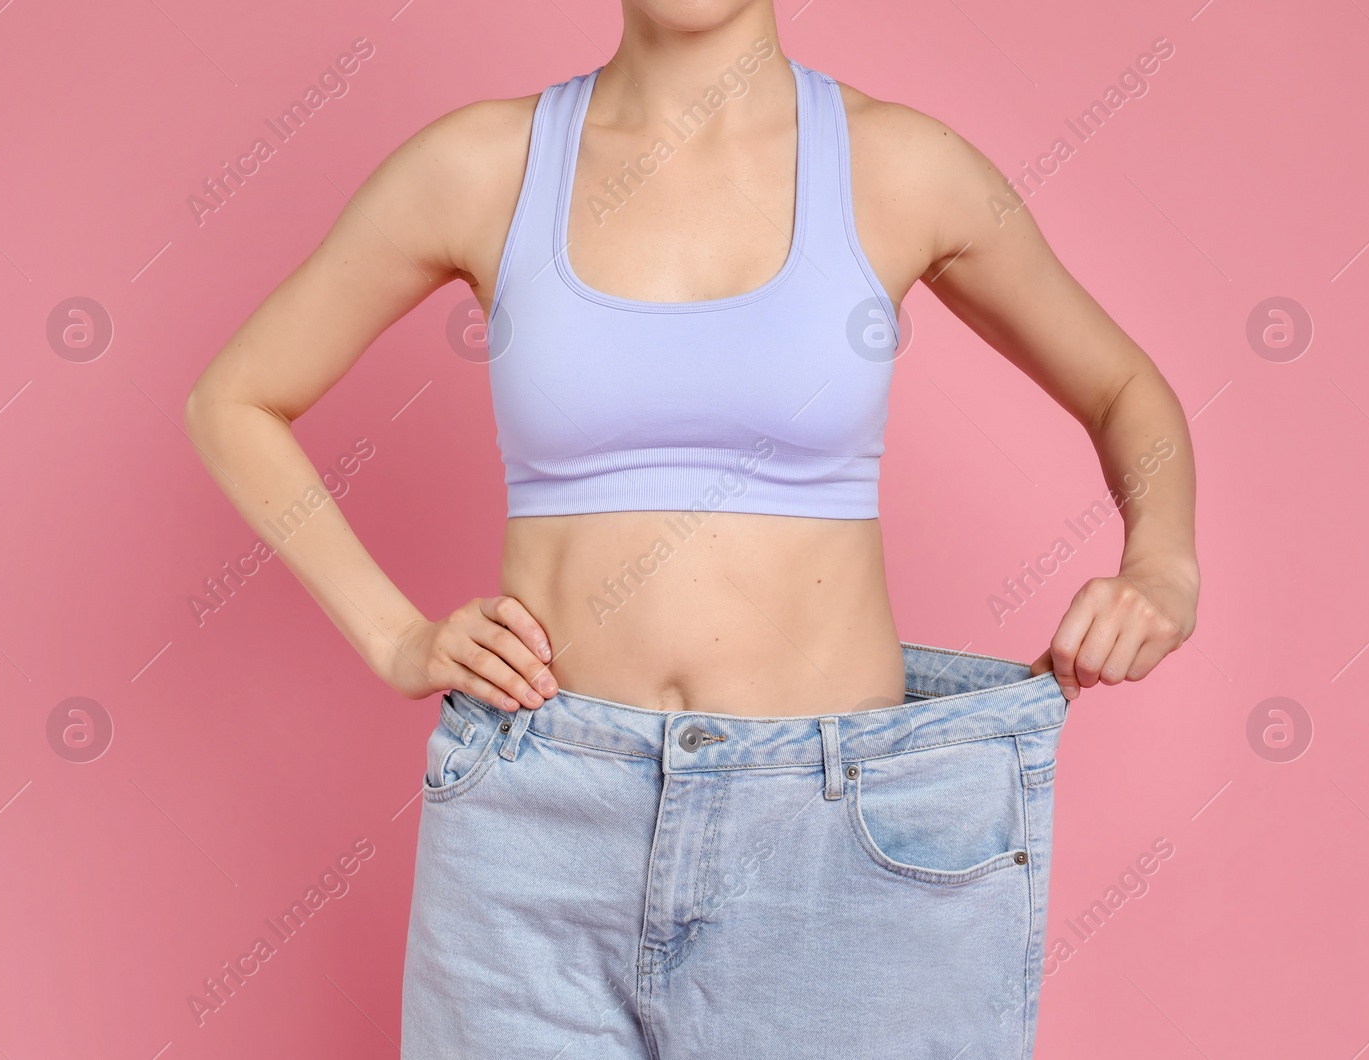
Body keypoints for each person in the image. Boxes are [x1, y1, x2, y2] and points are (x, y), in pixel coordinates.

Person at [184, 3, 1198, 1057]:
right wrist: (393, 635)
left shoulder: (899, 167)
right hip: (538, 827)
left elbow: (1123, 386)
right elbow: (236, 401)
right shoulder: (481, 165)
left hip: (840, 837)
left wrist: (1162, 568)